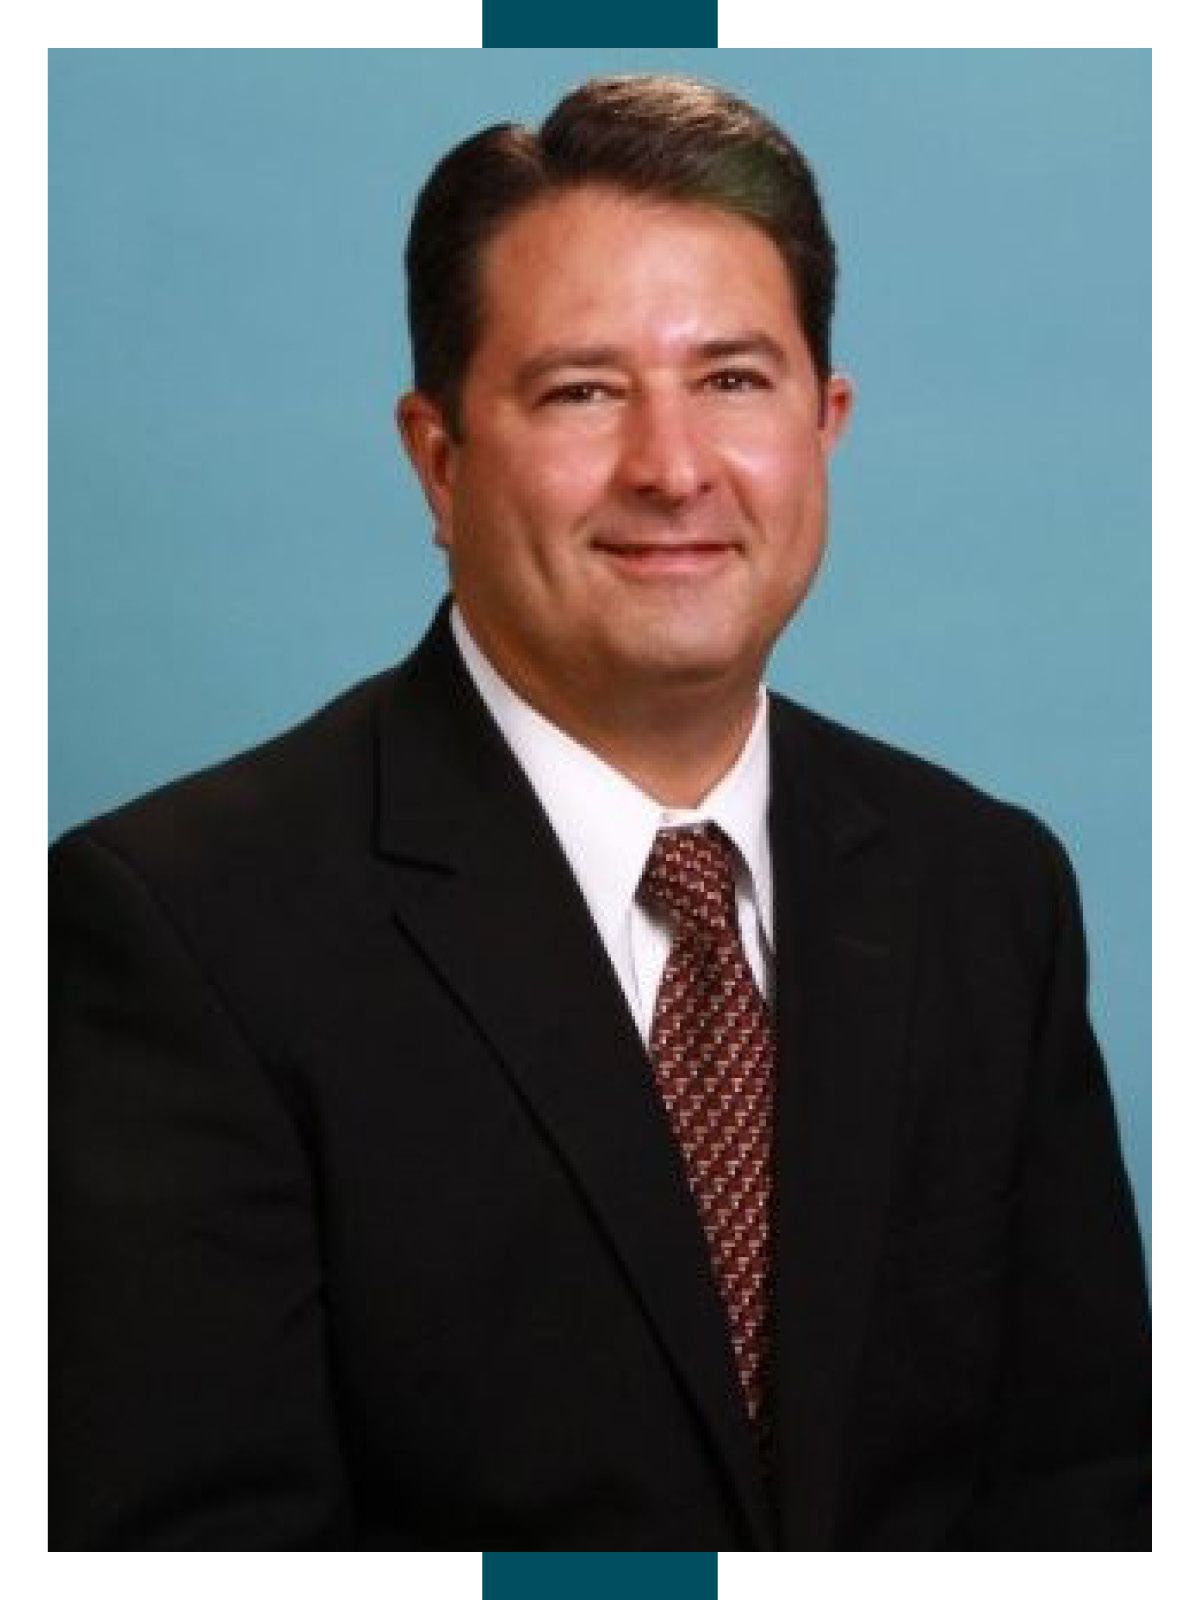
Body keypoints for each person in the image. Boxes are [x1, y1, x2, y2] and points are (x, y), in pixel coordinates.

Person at [49, 74, 1150, 1551]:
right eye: (582, 391)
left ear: (828, 425)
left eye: (735, 380)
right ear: (437, 460)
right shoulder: (180, 927)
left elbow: (1091, 1505)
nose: (674, 467)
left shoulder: (986, 889)